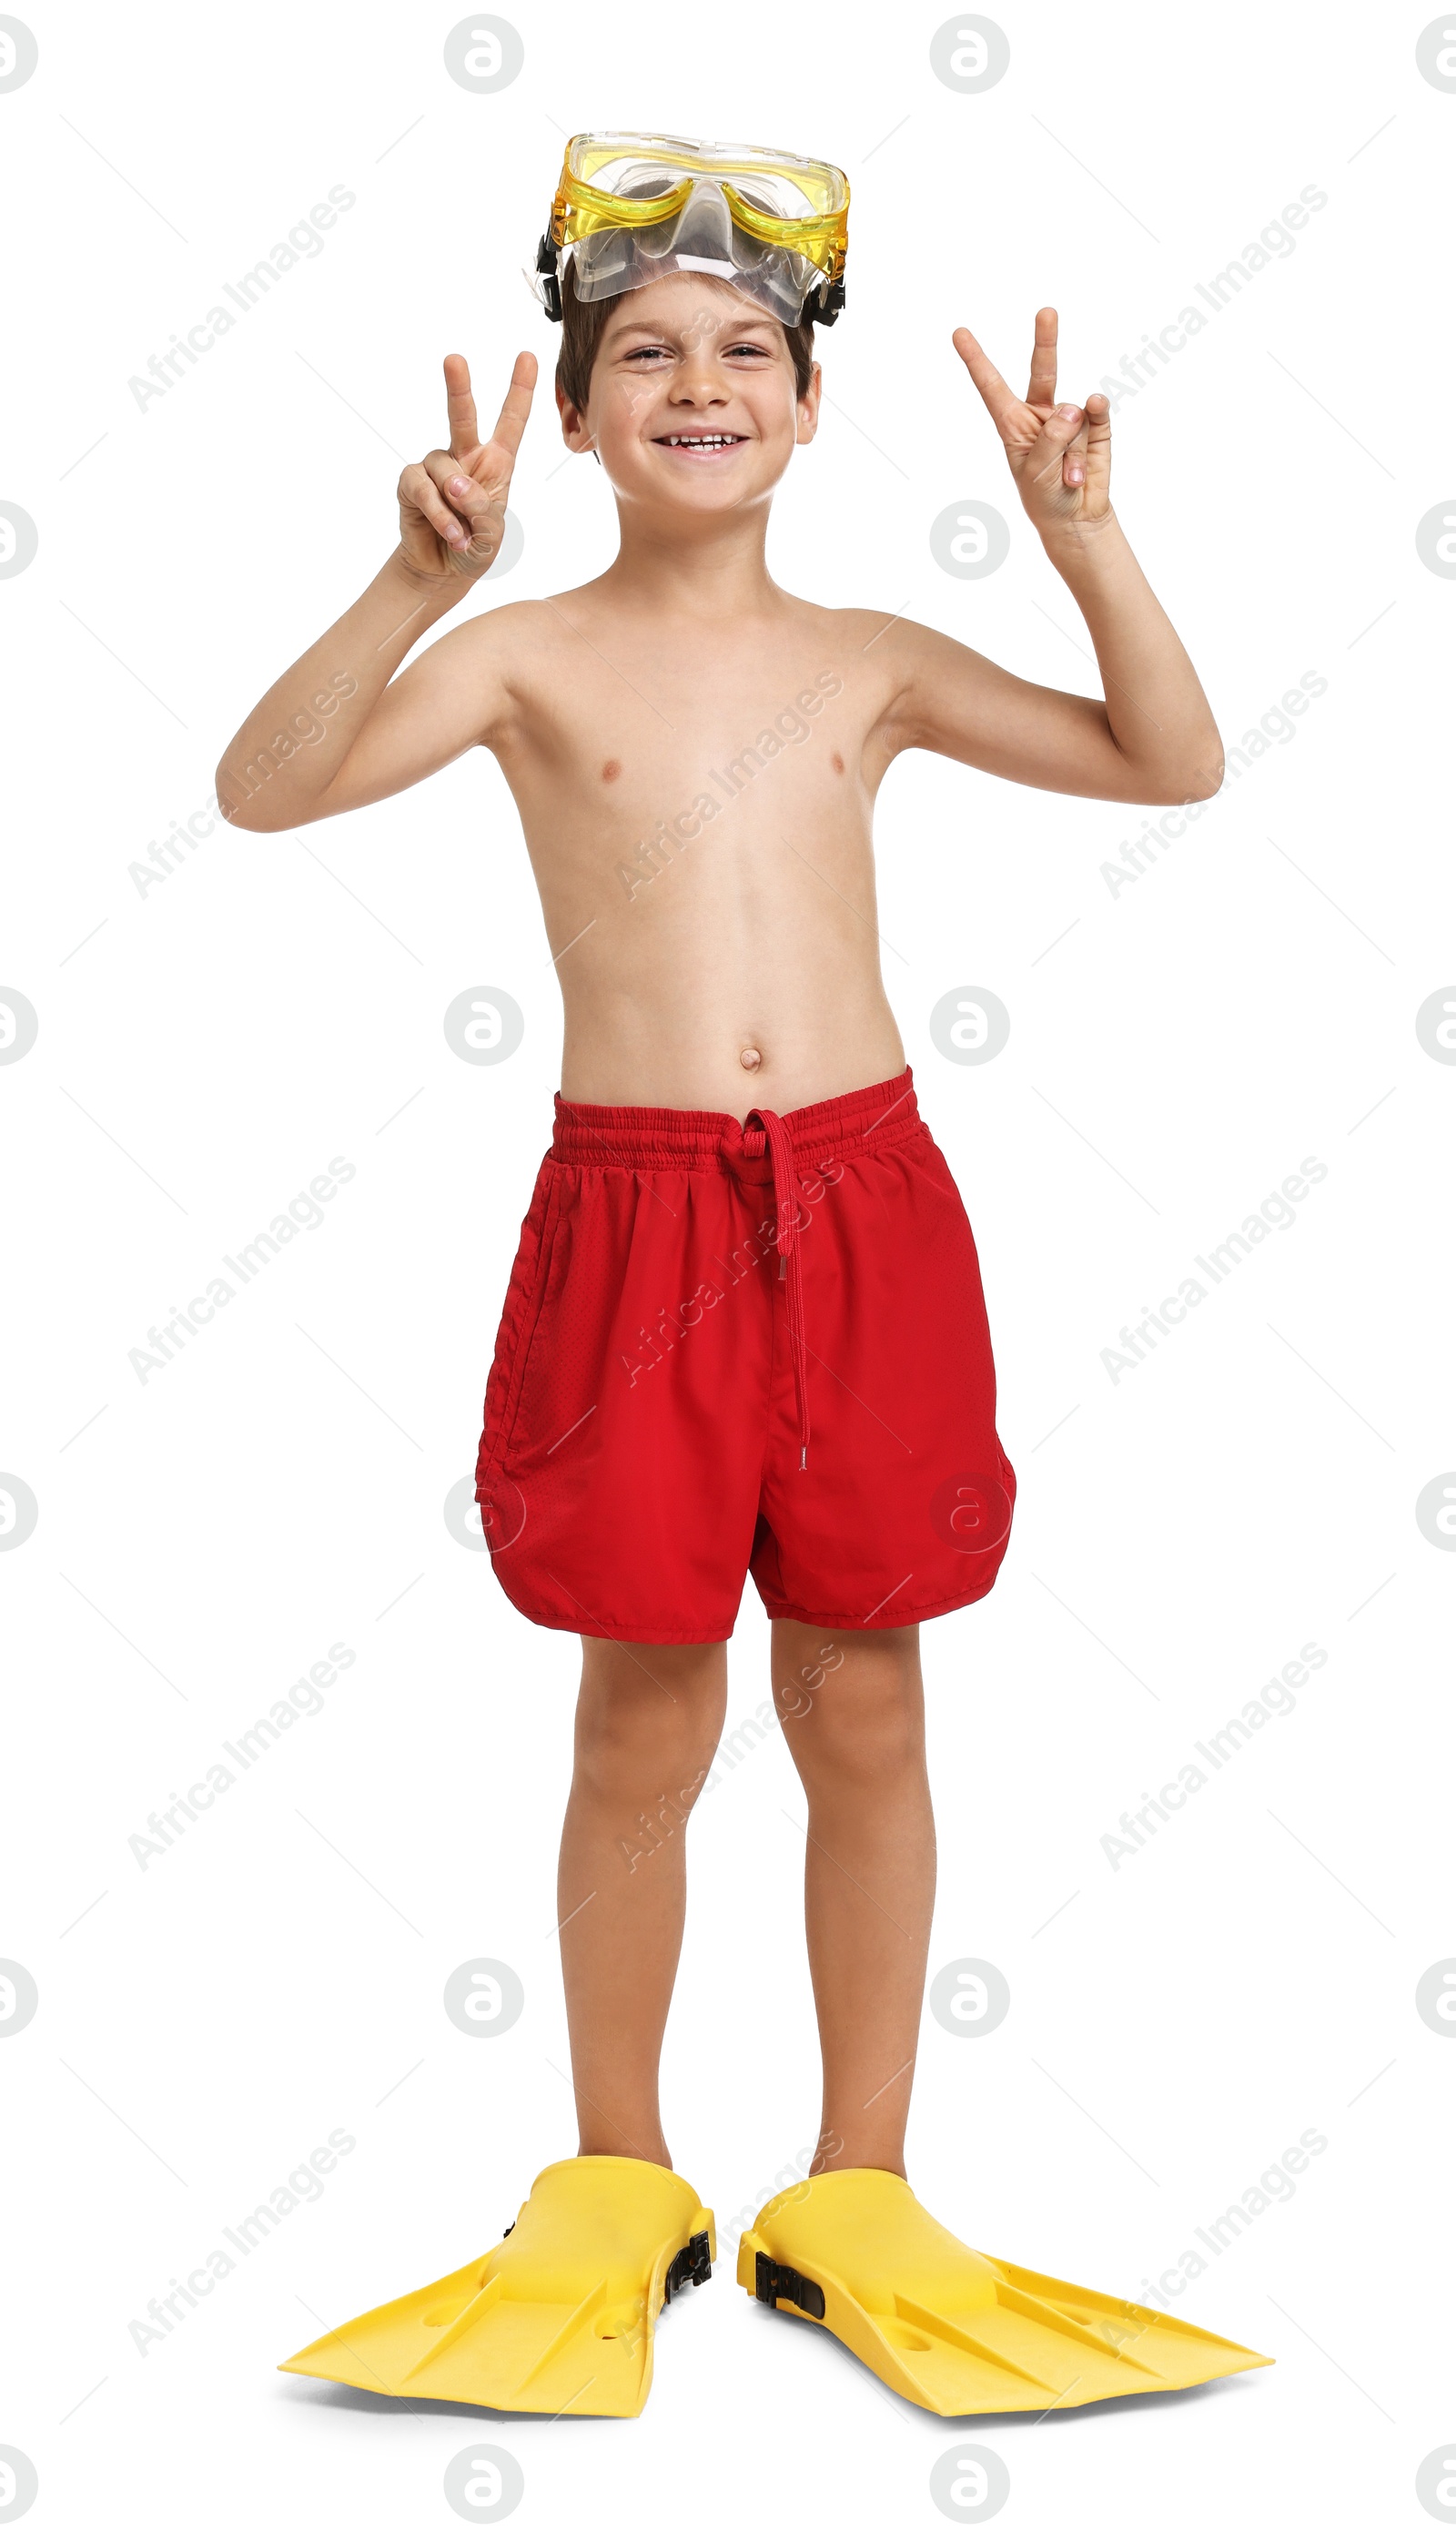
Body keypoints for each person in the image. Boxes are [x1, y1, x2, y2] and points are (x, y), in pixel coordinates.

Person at [231, 133, 1266, 2420]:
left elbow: (1166, 760)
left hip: (867, 1209)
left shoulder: (871, 661)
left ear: (805, 409)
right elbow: (262, 787)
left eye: (738, 354)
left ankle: (859, 2185)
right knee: (641, 1707)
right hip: (636, 1227)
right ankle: (617, 2175)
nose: (694, 383)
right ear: (577, 408)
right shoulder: (514, 656)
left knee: (869, 1694)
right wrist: (411, 580)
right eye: (641, 355)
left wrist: (1083, 538)